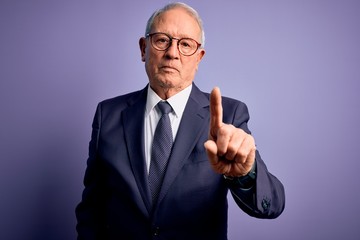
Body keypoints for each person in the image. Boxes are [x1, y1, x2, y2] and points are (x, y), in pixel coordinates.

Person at [75, 2, 285, 239]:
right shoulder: (108, 114)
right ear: (144, 49)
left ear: (199, 58)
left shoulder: (229, 115)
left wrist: (245, 173)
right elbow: (91, 210)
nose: (172, 53)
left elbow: (272, 203)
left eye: (185, 44)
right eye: (162, 40)